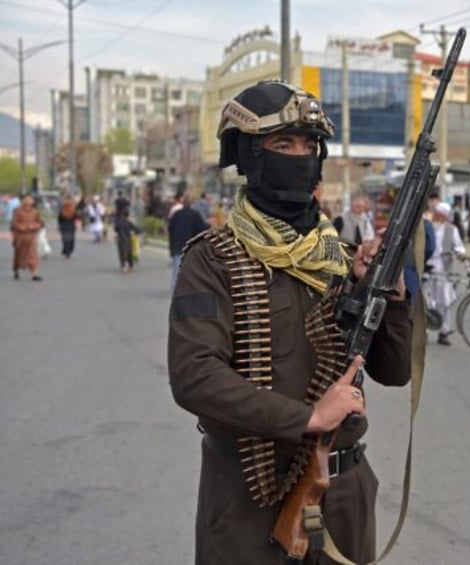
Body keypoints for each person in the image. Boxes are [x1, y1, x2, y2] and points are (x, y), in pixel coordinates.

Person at [168, 80, 412, 565]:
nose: (299, 156)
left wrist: (391, 295)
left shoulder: (340, 258)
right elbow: (195, 376)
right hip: (250, 500)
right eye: (283, 144)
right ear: (250, 156)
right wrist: (307, 418)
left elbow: (394, 370)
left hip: (343, 495)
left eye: (308, 145)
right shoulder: (214, 259)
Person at [427, 201, 466, 345]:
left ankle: (444, 331)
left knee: (444, 302)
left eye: (438, 214)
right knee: (425, 301)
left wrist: (461, 254)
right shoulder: (427, 226)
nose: (435, 216)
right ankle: (423, 330)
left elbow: (459, 247)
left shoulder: (451, 230)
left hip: (443, 269)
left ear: (444, 216)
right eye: (435, 213)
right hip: (426, 268)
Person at [168, 194, 208, 289]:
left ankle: (175, 287)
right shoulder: (195, 215)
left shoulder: (176, 214)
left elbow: (170, 229)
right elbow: (202, 229)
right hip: (191, 246)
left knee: (177, 268)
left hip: (177, 245)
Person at [11, 195, 44, 281]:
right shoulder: (17, 211)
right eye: (26, 204)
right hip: (20, 236)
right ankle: (16, 270)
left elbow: (40, 222)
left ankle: (34, 273)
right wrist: (24, 227)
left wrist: (34, 226)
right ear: (23, 203)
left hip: (31, 236)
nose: (28, 206)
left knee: (33, 255)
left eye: (30, 204)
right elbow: (14, 223)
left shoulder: (35, 212)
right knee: (19, 254)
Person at [57, 194, 78, 258]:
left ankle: (66, 250)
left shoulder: (62, 210)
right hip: (71, 225)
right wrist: (76, 224)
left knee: (64, 238)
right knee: (71, 238)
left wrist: (59, 225)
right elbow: (76, 217)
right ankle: (69, 250)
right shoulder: (73, 209)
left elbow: (59, 219)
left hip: (64, 225)